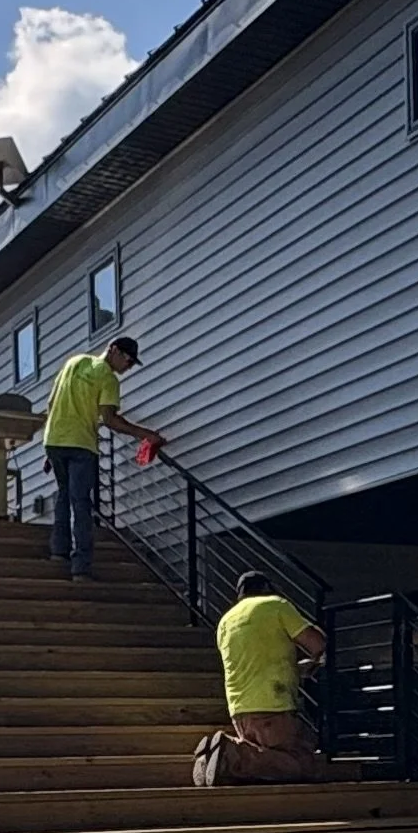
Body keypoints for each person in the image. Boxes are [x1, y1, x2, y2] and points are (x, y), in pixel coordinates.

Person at [40, 336, 161, 581]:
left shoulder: (74, 361)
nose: (127, 367)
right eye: (127, 360)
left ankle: (58, 552)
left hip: (54, 440)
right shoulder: (107, 378)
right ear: (113, 350)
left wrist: (49, 447)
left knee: (64, 494)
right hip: (81, 444)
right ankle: (81, 567)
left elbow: (51, 402)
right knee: (81, 502)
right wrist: (145, 434)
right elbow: (110, 419)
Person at [194, 572, 329, 785]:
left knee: (267, 771)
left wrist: (294, 669)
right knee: (302, 764)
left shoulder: (225, 622)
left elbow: (253, 660)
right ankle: (232, 754)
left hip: (239, 709)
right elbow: (317, 643)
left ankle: (223, 757)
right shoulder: (275, 605)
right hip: (273, 704)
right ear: (266, 587)